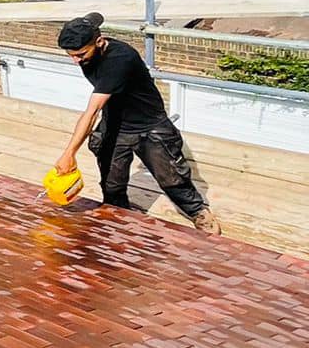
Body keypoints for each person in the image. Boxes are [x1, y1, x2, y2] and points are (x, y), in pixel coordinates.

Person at [53, 12, 221, 235]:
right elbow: (94, 18)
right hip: (115, 124)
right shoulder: (89, 43)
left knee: (172, 179)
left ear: (100, 42)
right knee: (112, 185)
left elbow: (92, 111)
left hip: (150, 125)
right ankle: (120, 218)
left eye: (80, 54)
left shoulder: (120, 59)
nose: (76, 60)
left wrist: (69, 154)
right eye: (71, 55)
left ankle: (199, 213)